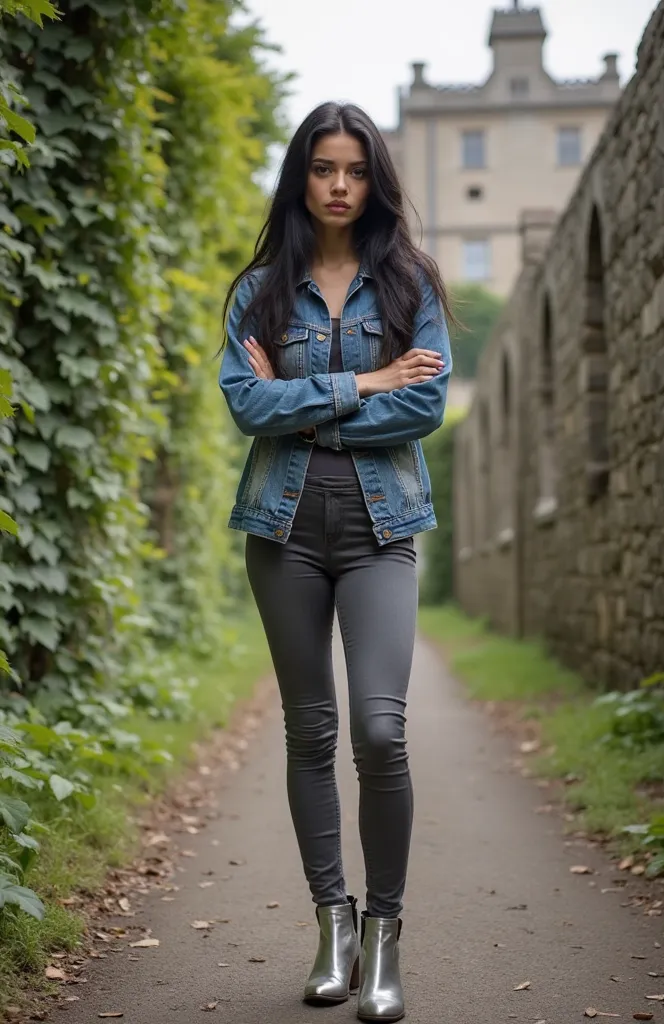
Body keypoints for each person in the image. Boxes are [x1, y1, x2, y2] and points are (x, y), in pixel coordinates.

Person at [218, 101, 452, 1023]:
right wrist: (361, 381)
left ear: (374, 177)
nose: (341, 185)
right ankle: (333, 924)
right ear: (301, 177)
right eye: (324, 168)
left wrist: (299, 396)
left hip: (379, 530)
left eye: (355, 169)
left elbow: (424, 408)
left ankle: (386, 930)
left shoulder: (410, 285)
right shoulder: (259, 291)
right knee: (309, 732)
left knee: (381, 732)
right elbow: (245, 405)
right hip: (282, 534)